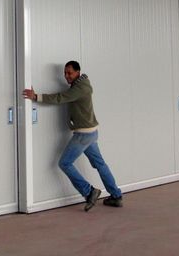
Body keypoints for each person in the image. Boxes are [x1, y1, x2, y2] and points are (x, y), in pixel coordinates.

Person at [23, 61, 123, 211]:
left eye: (69, 73)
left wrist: (36, 96)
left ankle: (89, 192)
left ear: (78, 72)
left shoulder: (80, 88)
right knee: (100, 164)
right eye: (65, 73)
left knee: (65, 163)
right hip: (91, 132)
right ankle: (116, 196)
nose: (66, 76)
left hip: (84, 134)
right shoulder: (81, 85)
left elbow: (61, 97)